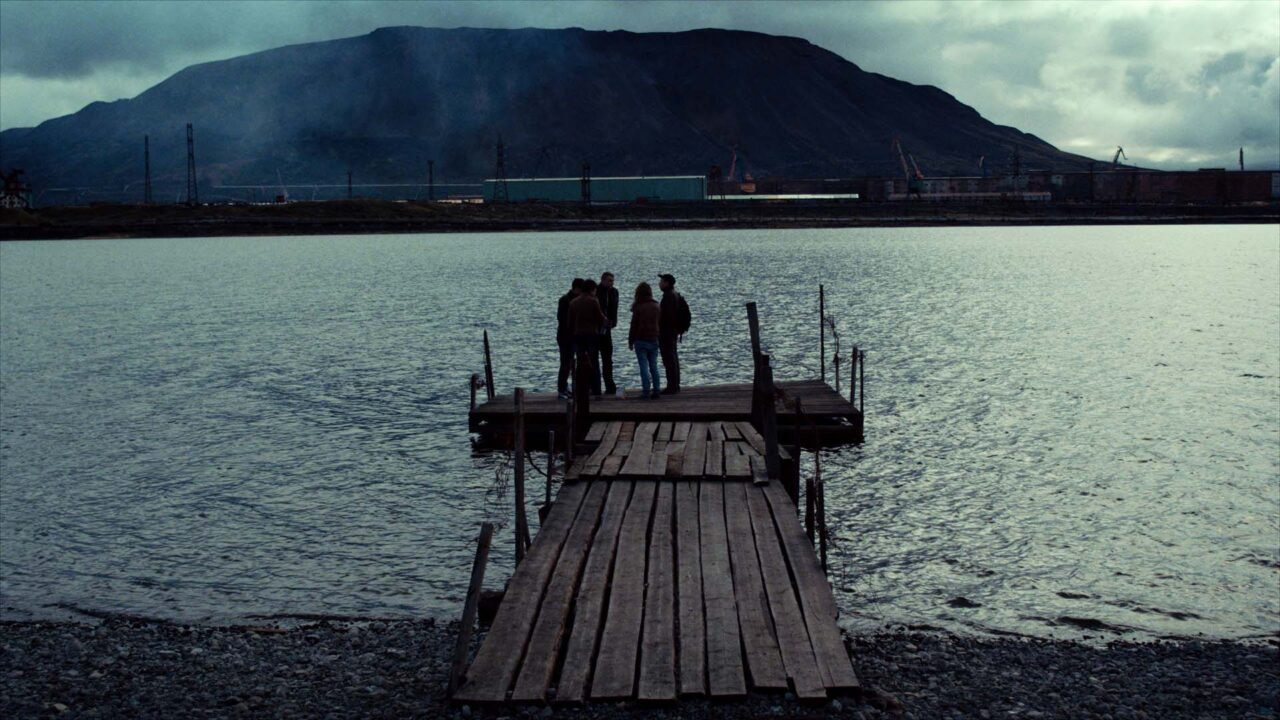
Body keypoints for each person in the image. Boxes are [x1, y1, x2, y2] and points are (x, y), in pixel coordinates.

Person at [569, 278, 608, 397]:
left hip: (578, 335)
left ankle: (580, 389)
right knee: (594, 362)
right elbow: (600, 318)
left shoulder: (573, 302)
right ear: (592, 289)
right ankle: (596, 390)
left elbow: (569, 322)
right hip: (592, 334)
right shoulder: (593, 301)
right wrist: (606, 322)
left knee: (580, 362)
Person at [627, 282, 662, 400]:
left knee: (643, 366)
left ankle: (646, 391)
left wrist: (630, 340)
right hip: (654, 338)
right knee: (654, 366)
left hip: (641, 339)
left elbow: (633, 325)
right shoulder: (657, 305)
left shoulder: (638, 307)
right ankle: (656, 390)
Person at [657, 273, 690, 394]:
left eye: (661, 281)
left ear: (667, 283)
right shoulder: (674, 294)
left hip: (667, 332)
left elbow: (667, 316)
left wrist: (660, 328)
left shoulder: (669, 296)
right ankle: (675, 384)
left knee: (669, 359)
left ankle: (672, 386)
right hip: (673, 331)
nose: (659, 284)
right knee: (673, 358)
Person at [556, 278, 584, 399]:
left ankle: (568, 387)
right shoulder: (565, 300)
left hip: (574, 336)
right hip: (565, 336)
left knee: (571, 363)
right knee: (565, 363)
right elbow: (561, 319)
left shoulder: (577, 300)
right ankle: (561, 389)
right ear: (576, 288)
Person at [595, 272, 620, 396]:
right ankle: (595, 386)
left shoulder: (614, 292)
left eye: (612, 281)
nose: (612, 283)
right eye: (609, 280)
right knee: (594, 358)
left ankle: (610, 385)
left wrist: (613, 322)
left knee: (607, 359)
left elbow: (614, 309)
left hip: (607, 328)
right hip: (595, 329)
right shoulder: (596, 291)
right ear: (603, 280)